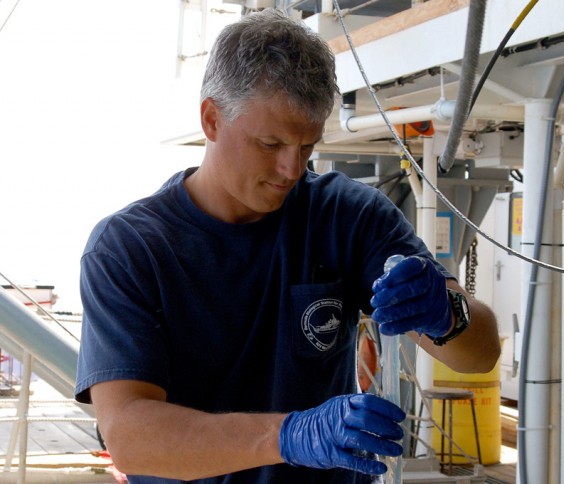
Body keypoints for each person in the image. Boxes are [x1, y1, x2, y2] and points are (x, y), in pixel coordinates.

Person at [74, 8, 500, 484]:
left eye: (307, 147)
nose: (291, 170)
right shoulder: (130, 248)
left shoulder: (348, 215)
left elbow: (479, 355)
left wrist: (448, 315)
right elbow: (130, 438)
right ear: (211, 119)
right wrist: (288, 437)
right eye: (270, 144)